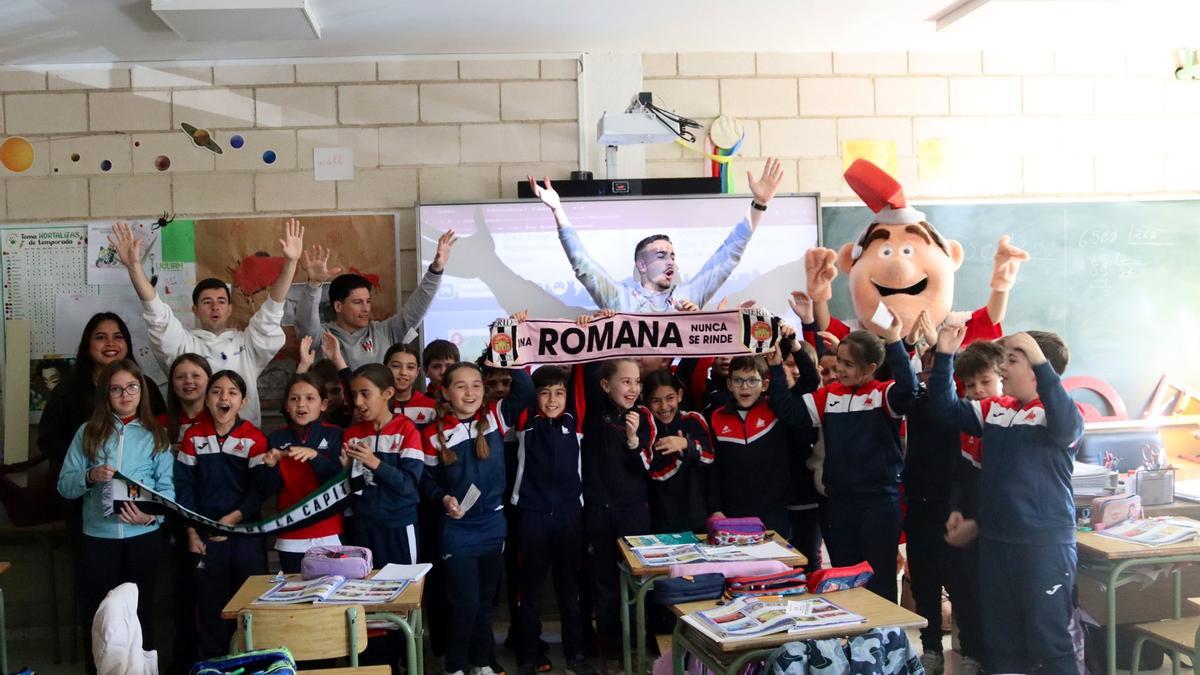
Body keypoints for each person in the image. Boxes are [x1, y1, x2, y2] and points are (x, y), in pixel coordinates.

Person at [929, 326, 1084, 675]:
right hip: (997, 544)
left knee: (1052, 639)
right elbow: (945, 411)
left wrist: (1043, 364)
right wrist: (944, 357)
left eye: (1011, 360)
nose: (1001, 368)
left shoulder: (1059, 412)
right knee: (1003, 642)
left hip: (1042, 547)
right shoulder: (997, 410)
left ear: (1036, 368)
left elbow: (1067, 428)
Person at [111, 219, 305, 426]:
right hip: (191, 443)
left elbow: (273, 309)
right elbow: (157, 314)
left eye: (221, 301)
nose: (215, 307)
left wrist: (291, 263)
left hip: (243, 442)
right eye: (207, 302)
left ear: (230, 309)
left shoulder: (247, 343)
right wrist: (134, 268)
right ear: (195, 310)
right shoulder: (184, 344)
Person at [526, 159, 784, 311]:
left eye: (673, 255)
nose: (671, 261)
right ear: (641, 264)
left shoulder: (686, 298)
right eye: (661, 255)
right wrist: (558, 210)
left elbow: (728, 256)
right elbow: (583, 265)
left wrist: (759, 205)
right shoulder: (620, 298)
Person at [787, 314, 918, 603]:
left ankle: (885, 642)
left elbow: (909, 389)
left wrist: (895, 341)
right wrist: (777, 365)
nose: (840, 370)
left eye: (848, 364)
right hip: (840, 504)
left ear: (871, 368)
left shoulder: (883, 394)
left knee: (879, 578)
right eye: (839, 362)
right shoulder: (830, 395)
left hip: (879, 503)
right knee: (846, 577)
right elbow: (792, 413)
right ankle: (853, 642)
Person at [421, 358, 533, 675]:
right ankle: (455, 666)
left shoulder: (495, 416)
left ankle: (481, 662)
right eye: (461, 386)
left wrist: (508, 353)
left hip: (494, 525)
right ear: (445, 392)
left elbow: (524, 390)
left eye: (476, 385)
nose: (469, 393)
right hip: (456, 529)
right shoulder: (433, 434)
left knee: (486, 604)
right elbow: (425, 481)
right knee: (465, 604)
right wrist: (442, 498)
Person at [57, 360, 173, 660]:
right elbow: (65, 485)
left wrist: (152, 515)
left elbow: (169, 490)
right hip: (98, 537)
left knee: (141, 610)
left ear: (142, 391)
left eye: (132, 387)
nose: (125, 394)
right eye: (117, 389)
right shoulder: (88, 432)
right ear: (106, 394)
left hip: (143, 537)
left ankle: (142, 668)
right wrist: (89, 476)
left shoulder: (155, 434)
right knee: (100, 614)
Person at [902, 326, 995, 675]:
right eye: (925, 372)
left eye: (937, 371)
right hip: (922, 507)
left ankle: (971, 650)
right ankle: (930, 649)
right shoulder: (914, 403)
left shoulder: (964, 411)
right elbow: (894, 376)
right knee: (924, 584)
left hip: (956, 508)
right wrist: (906, 342)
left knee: (963, 587)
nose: (929, 379)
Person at [176, 370, 281, 657]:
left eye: (232, 392)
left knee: (250, 609)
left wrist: (236, 516)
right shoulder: (193, 437)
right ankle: (215, 665)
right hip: (206, 538)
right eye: (217, 391)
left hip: (245, 537)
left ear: (243, 401)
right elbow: (183, 487)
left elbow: (262, 490)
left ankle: (251, 664)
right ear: (207, 400)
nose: (224, 397)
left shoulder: (254, 438)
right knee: (212, 610)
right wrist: (192, 530)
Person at [507, 365, 594, 675]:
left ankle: (576, 656)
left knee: (570, 593)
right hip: (532, 515)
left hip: (570, 515)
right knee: (528, 594)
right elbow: (521, 384)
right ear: (535, 396)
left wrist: (586, 338)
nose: (552, 399)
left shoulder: (576, 419)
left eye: (559, 393)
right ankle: (527, 657)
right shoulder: (524, 419)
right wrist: (517, 340)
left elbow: (582, 377)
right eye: (545, 393)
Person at [578, 352, 656, 672]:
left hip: (634, 513)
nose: (633, 388)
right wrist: (587, 335)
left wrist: (633, 439)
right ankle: (611, 653)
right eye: (625, 381)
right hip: (597, 512)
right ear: (605, 385)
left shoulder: (644, 416)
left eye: (637, 381)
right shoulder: (591, 413)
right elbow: (581, 377)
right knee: (605, 586)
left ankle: (638, 648)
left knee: (640, 584)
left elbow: (647, 467)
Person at [706, 337, 817, 539]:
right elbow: (713, 469)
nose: (745, 387)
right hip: (733, 514)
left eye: (752, 380)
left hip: (775, 514)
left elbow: (811, 382)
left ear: (765, 384)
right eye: (738, 380)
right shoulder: (716, 416)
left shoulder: (777, 408)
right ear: (729, 384)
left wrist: (794, 350)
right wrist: (715, 508)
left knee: (780, 569)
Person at [297, 231, 457, 371]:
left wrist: (436, 271)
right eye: (358, 302)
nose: (366, 308)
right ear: (338, 306)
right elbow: (306, 322)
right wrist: (314, 285)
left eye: (368, 301)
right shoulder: (323, 336)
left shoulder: (385, 331)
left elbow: (416, 309)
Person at [157, 352, 211, 675]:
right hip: (176, 520)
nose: (188, 382)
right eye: (180, 376)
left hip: (216, 517)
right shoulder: (160, 424)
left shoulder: (221, 417)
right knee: (183, 597)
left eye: (196, 375)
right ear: (172, 385)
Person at [342, 363, 426, 564]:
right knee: (367, 588)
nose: (358, 402)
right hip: (363, 525)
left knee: (405, 588)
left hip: (399, 524)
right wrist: (347, 471)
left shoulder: (407, 429)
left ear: (388, 393)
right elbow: (354, 489)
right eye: (354, 395)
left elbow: (408, 485)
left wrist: (373, 462)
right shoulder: (352, 434)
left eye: (365, 394)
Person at [267, 366, 345, 573]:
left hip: (328, 529)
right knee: (295, 595)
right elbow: (269, 488)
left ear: (323, 404)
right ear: (286, 405)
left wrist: (315, 457)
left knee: (331, 595)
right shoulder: (276, 438)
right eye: (294, 399)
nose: (301, 404)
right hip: (290, 532)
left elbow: (338, 482)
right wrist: (270, 467)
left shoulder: (336, 434)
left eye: (310, 398)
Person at [643, 369, 713, 534]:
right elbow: (653, 472)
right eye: (655, 401)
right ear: (646, 401)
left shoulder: (693, 420)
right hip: (659, 519)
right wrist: (679, 455)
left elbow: (710, 457)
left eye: (670, 398)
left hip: (696, 518)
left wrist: (686, 444)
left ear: (679, 395)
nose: (664, 407)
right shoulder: (644, 429)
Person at [385, 342, 438, 428]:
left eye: (410, 367)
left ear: (417, 372)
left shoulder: (431, 406)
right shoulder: (376, 406)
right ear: (385, 368)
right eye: (396, 366)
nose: (403, 372)